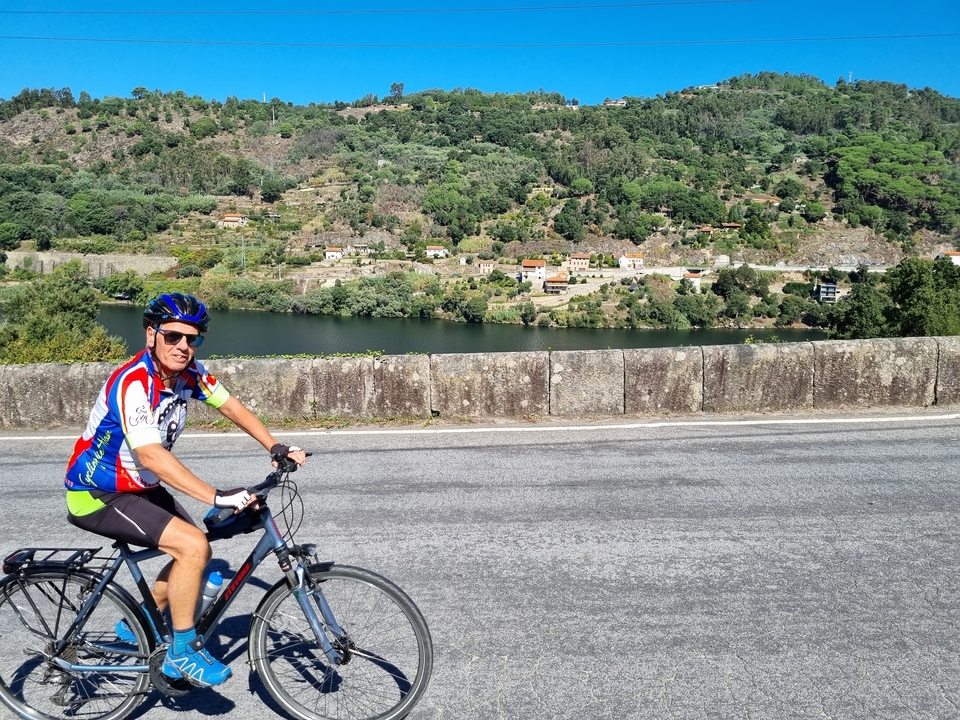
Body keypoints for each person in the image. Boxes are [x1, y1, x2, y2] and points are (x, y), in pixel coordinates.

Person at [64, 292, 306, 688]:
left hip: (140, 487)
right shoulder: (134, 383)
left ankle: (138, 623)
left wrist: (274, 445)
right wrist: (216, 496)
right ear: (151, 335)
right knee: (192, 546)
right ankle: (182, 651)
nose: (183, 346)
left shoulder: (188, 373)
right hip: (97, 492)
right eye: (173, 336)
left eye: (192, 339)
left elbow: (231, 406)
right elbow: (151, 456)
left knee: (198, 550)